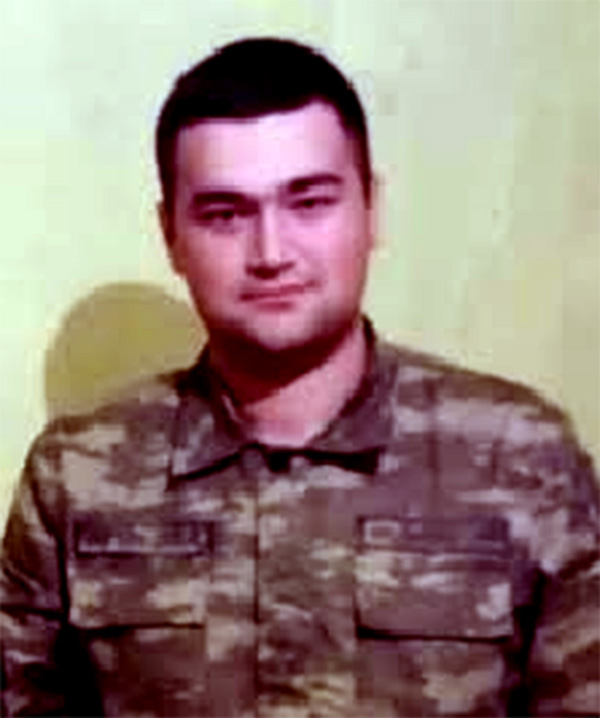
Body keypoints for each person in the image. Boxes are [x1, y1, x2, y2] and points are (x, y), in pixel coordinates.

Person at [1, 37, 598, 718]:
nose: (271, 253)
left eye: (309, 202)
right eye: (224, 215)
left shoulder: (520, 458)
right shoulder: (75, 474)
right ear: (170, 234)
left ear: (371, 209)